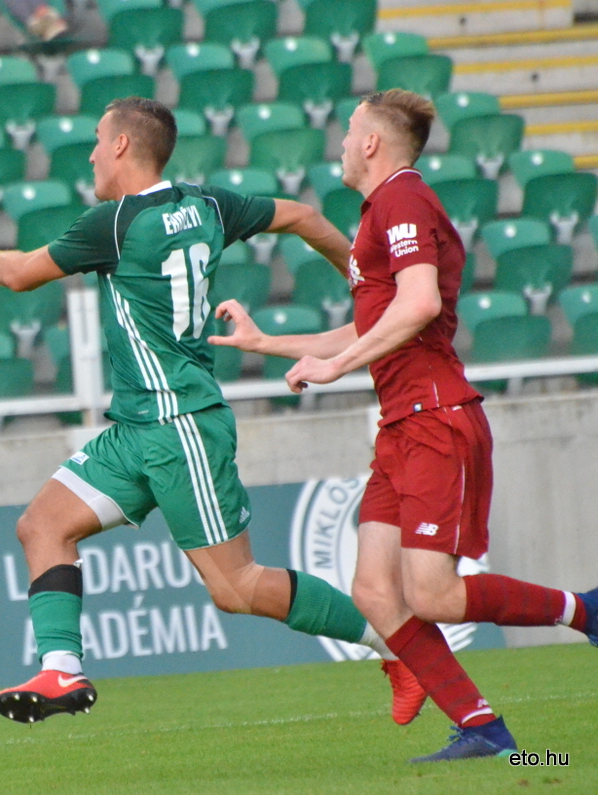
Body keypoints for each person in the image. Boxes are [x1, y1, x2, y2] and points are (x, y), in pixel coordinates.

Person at [0, 96, 426, 726]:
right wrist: (361, 280)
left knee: (237, 588)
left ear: (120, 147)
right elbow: (301, 215)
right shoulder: (208, 204)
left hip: (179, 425)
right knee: (42, 526)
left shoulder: (114, 223)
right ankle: (61, 671)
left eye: (96, 139)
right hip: (138, 426)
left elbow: (24, 273)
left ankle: (401, 648)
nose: (88, 153)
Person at [210, 88, 598, 762]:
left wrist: (338, 368)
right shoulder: (377, 212)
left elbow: (417, 304)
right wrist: (268, 342)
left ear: (371, 143)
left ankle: (585, 611)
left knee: (432, 593)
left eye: (347, 128)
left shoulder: (403, 198)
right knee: (373, 590)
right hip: (402, 427)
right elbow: (373, 323)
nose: (338, 140)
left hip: (436, 420)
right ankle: (480, 724)